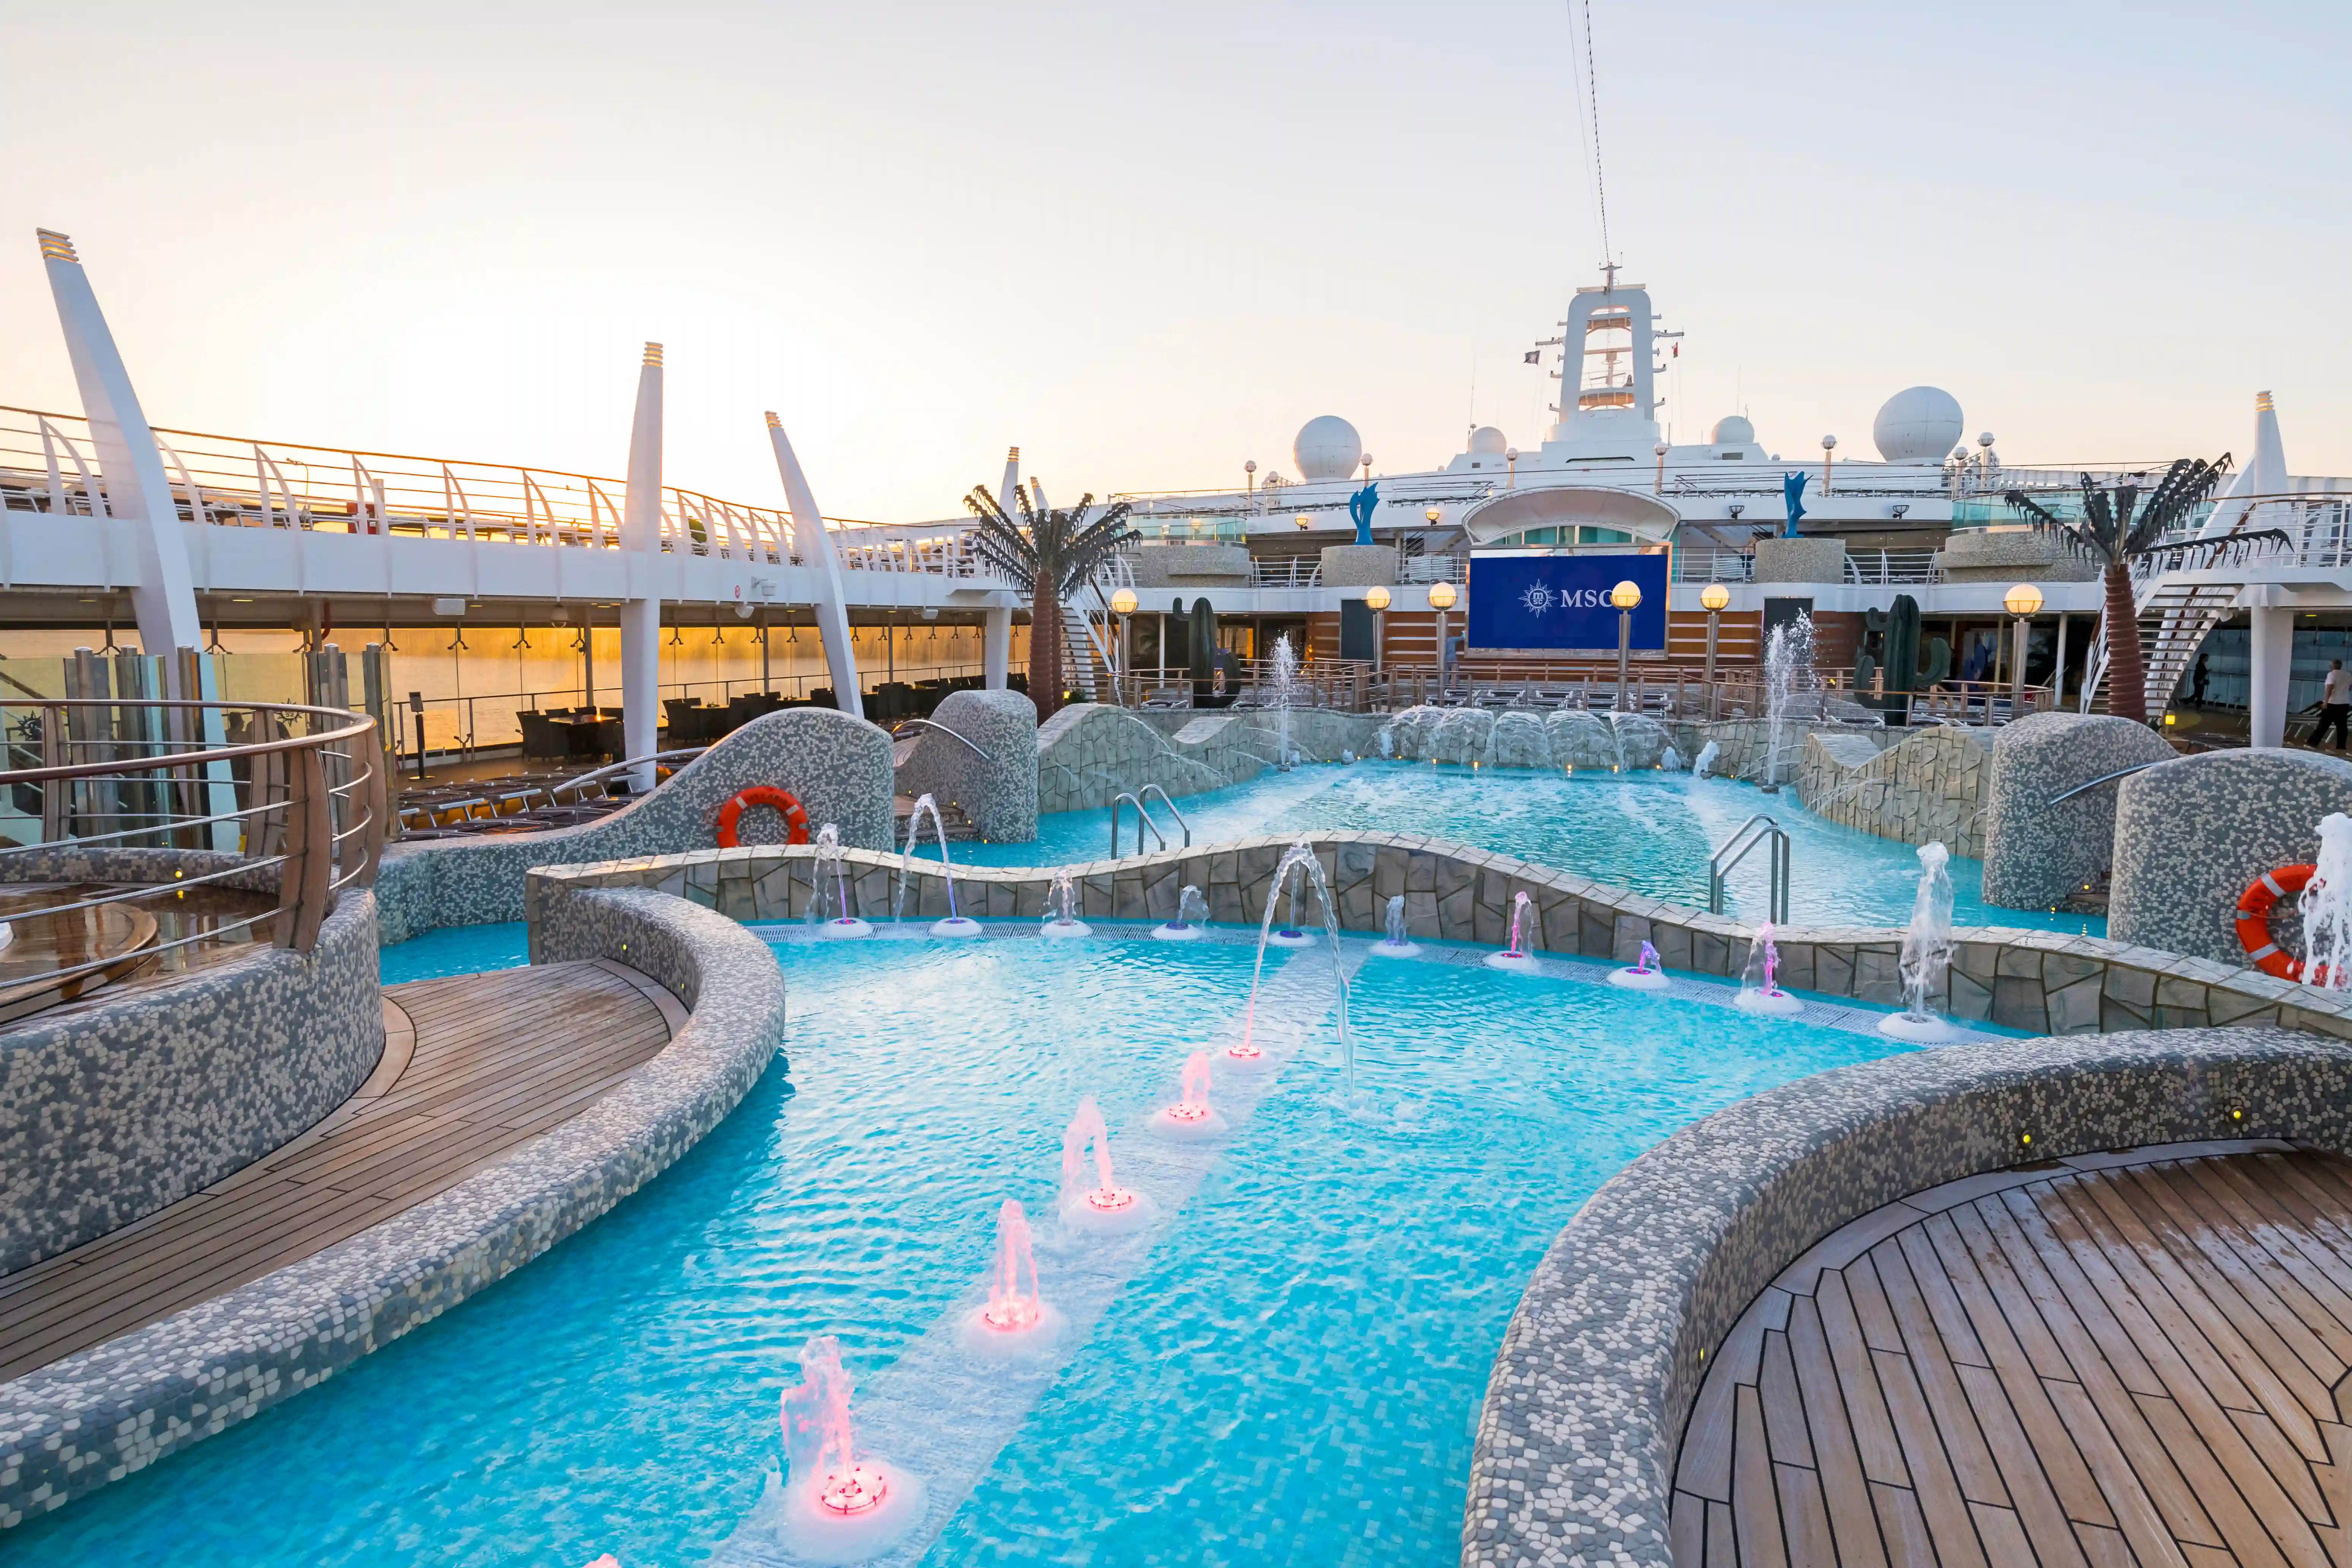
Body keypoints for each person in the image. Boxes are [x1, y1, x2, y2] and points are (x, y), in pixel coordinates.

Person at [2317, 659, 2350, 751]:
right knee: (2342, 726)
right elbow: (2351, 687)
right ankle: (2341, 746)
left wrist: (2326, 702)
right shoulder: (2348, 675)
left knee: (2324, 724)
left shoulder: (2332, 674)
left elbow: (2329, 688)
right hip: (2344, 703)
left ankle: (2312, 743)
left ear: (2332, 666)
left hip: (2333, 703)